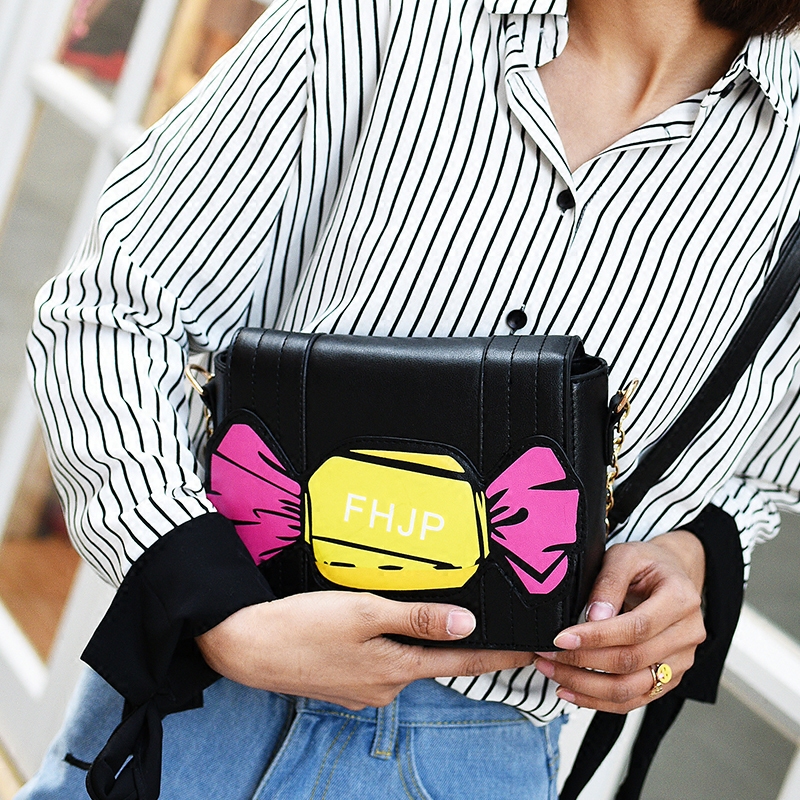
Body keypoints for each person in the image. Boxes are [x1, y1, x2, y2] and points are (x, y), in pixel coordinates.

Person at [19, 0, 800, 798]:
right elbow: (112, 312)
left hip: (472, 755)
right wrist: (212, 603)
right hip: (201, 698)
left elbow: (756, 482)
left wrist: (686, 557)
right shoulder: (379, 20)